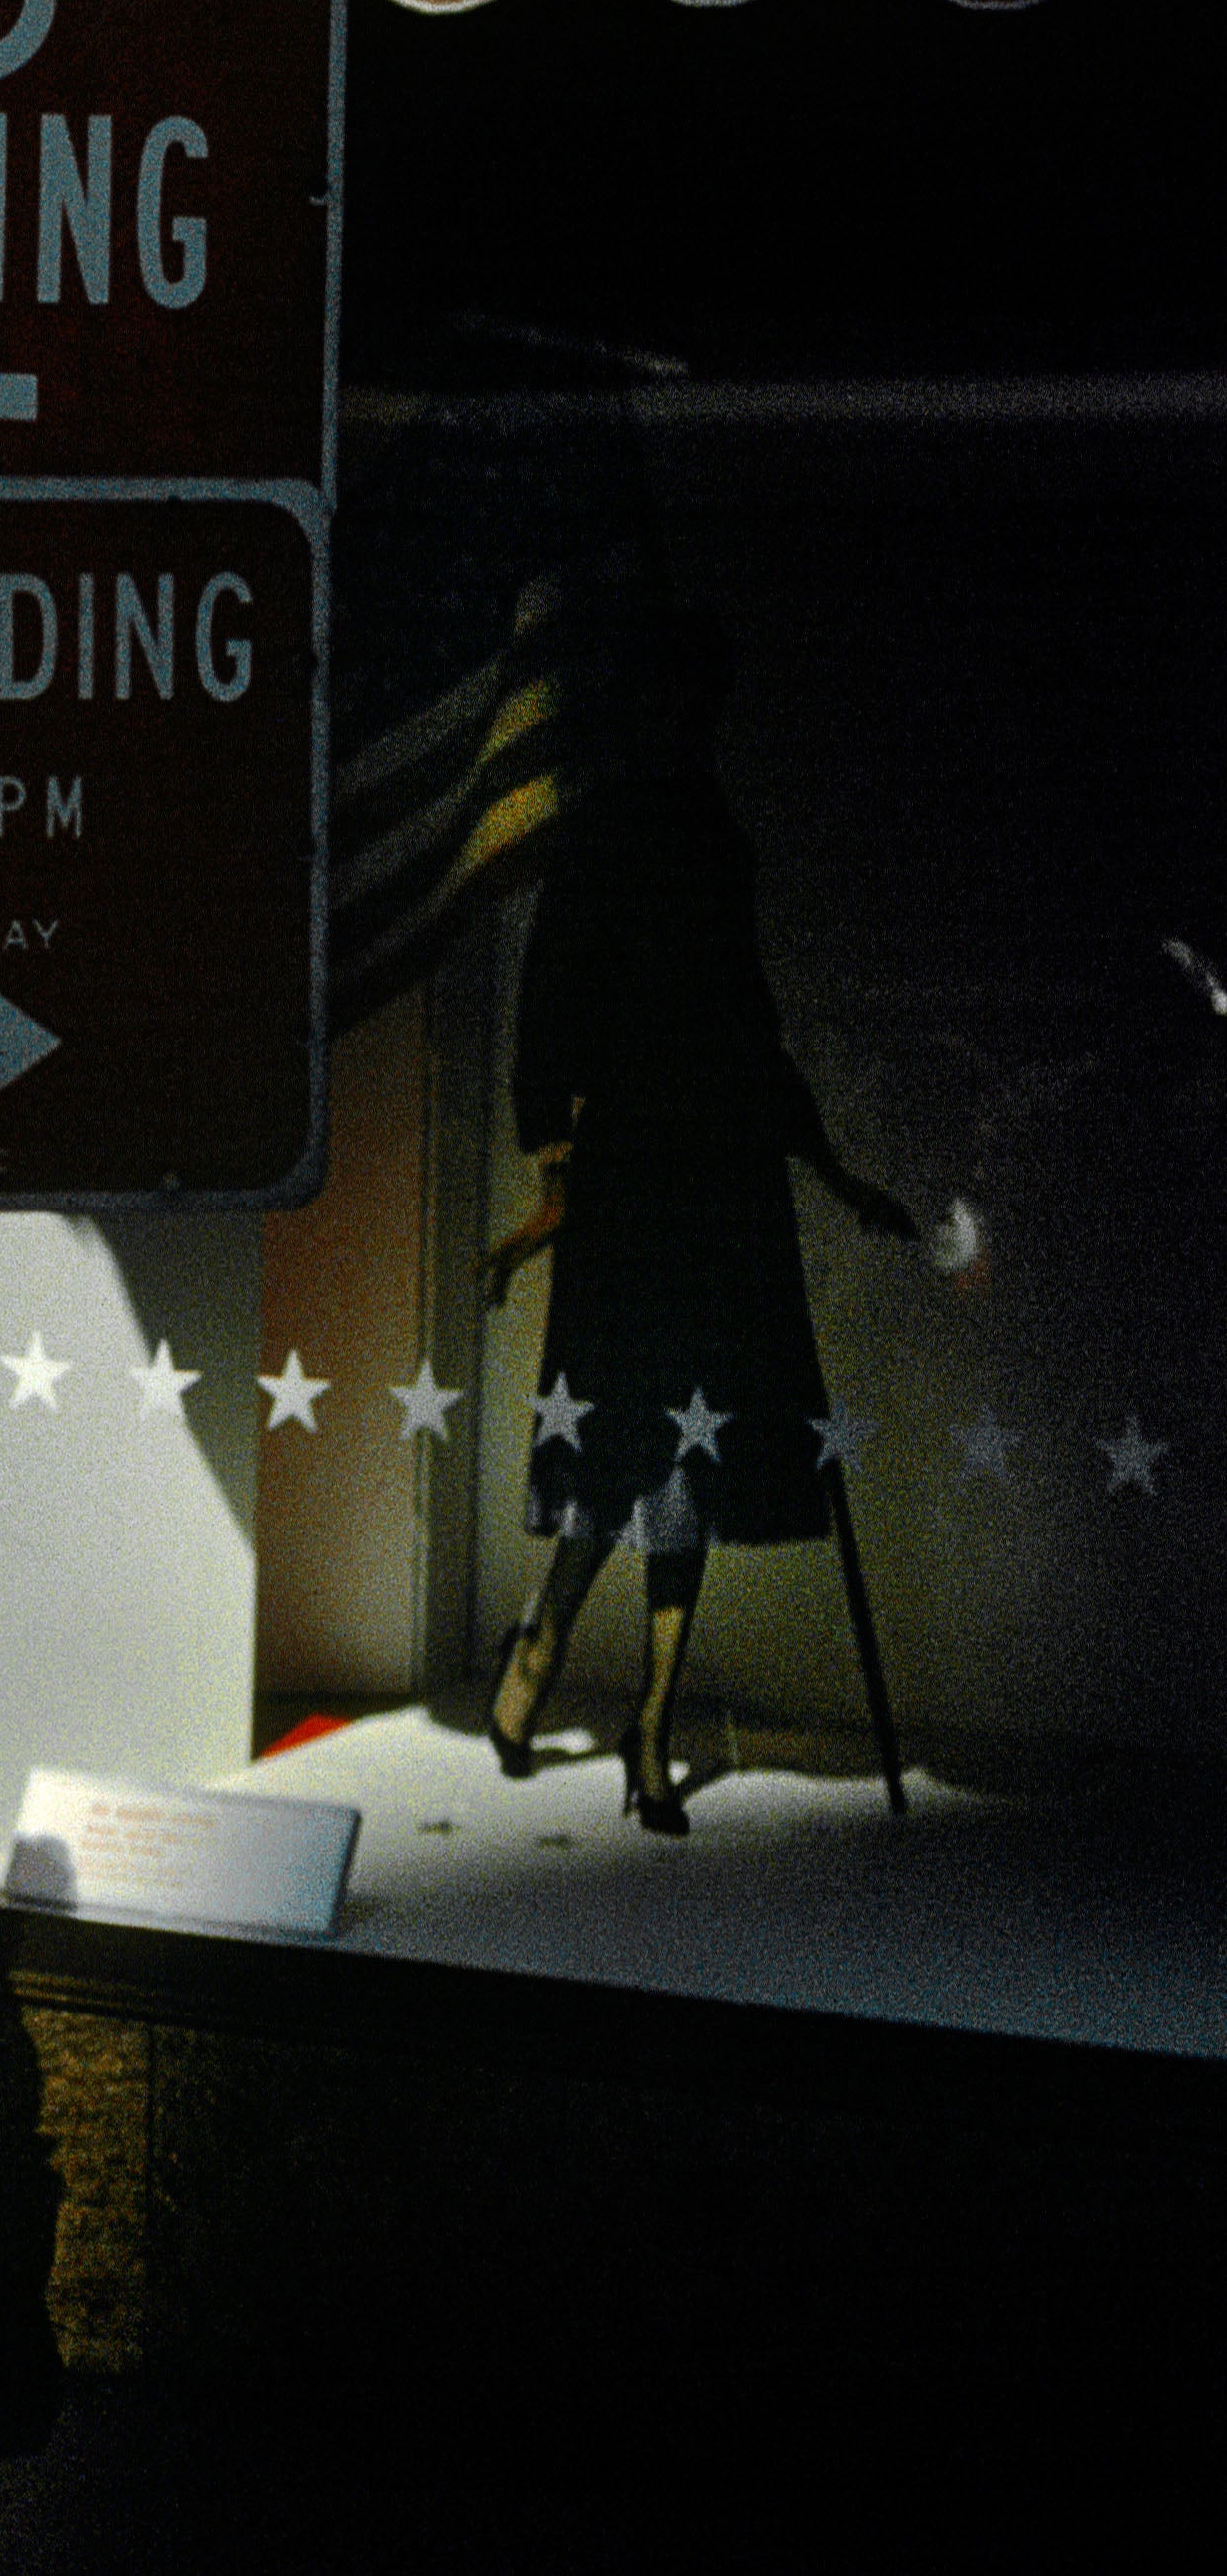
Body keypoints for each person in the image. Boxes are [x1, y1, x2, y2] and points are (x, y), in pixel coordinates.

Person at [483, 603, 913, 1830]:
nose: (688, 723)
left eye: (701, 705)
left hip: (722, 1183)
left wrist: (829, 1170)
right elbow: (551, 1001)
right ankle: (541, 1643)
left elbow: (747, 1016)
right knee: (619, 1448)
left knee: (694, 1456)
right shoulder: (604, 832)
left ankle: (654, 1724)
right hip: (634, 1183)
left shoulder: (714, 836)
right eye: (672, 700)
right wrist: (555, 1177)